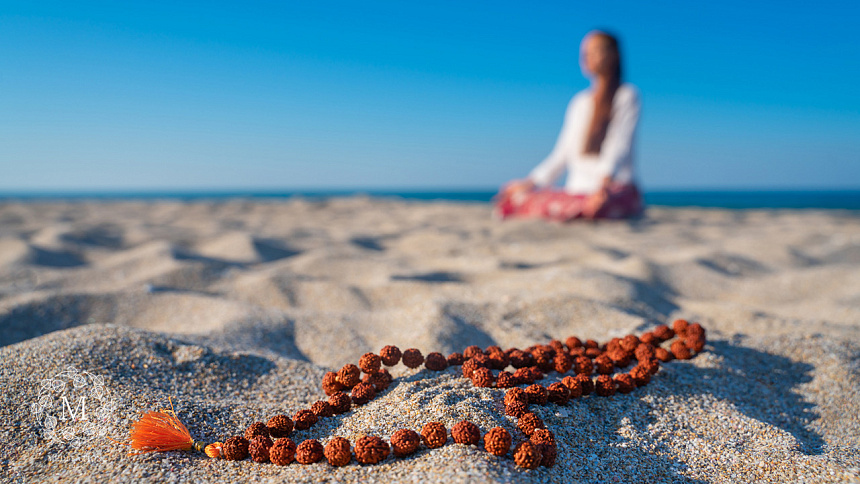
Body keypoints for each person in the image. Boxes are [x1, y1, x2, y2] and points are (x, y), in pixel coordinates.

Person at [495, 30, 643, 221]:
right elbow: (562, 153)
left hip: (614, 187)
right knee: (516, 200)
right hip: (578, 190)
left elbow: (619, 145)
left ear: (614, 55)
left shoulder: (626, 96)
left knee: (595, 206)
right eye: (585, 52)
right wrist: (531, 181)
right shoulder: (580, 102)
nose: (587, 57)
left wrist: (604, 184)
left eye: (595, 51)